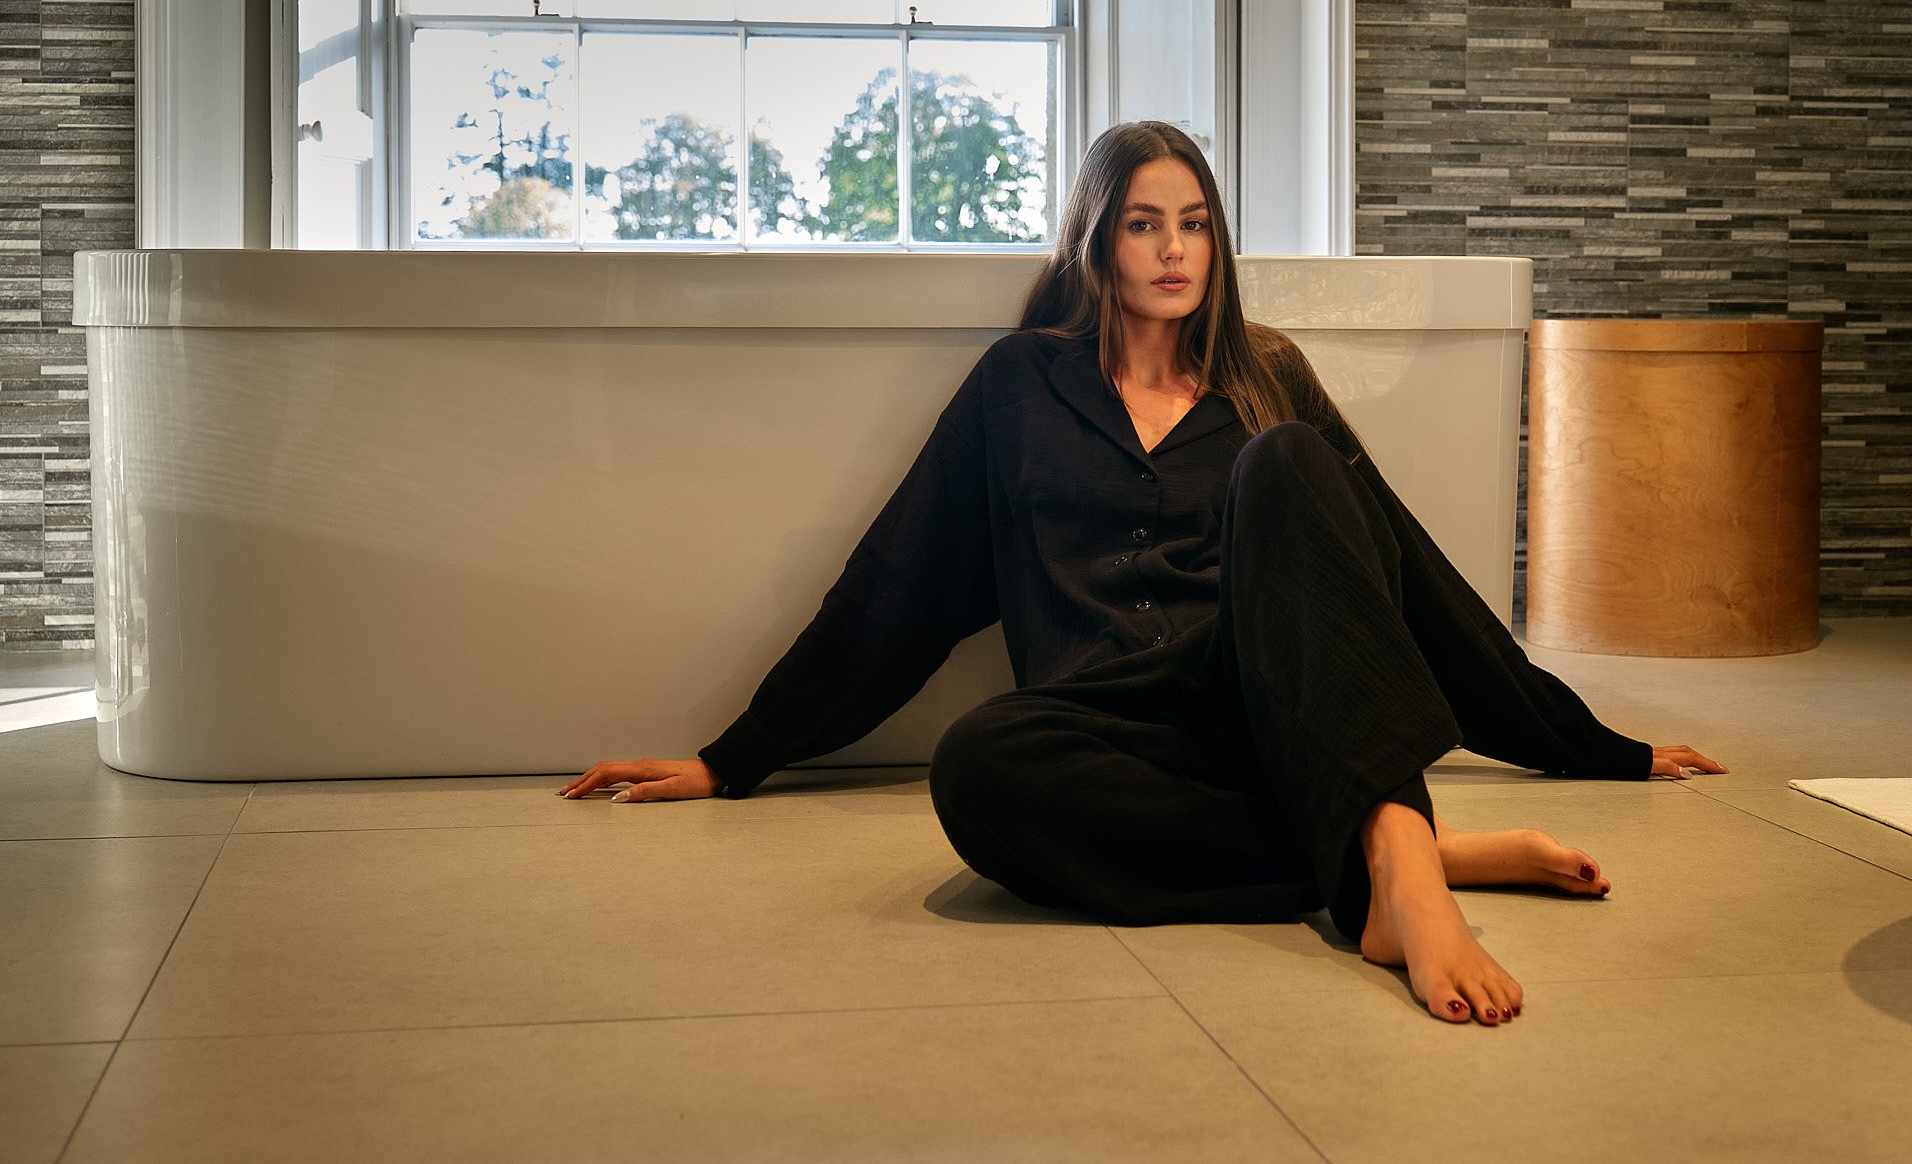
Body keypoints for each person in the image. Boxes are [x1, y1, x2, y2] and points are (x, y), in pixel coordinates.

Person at [559, 121, 1725, 1026]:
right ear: (1094, 240)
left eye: (1195, 224)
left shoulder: (1265, 377)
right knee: (976, 768)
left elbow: (1401, 575)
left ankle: (1405, 890)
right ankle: (1396, 844)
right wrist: (733, 756)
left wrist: (1588, 744)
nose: (1173, 250)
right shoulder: (1019, 383)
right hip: (1103, 725)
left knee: (1288, 465)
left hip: (1260, 706)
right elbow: (896, 586)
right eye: (1141, 224)